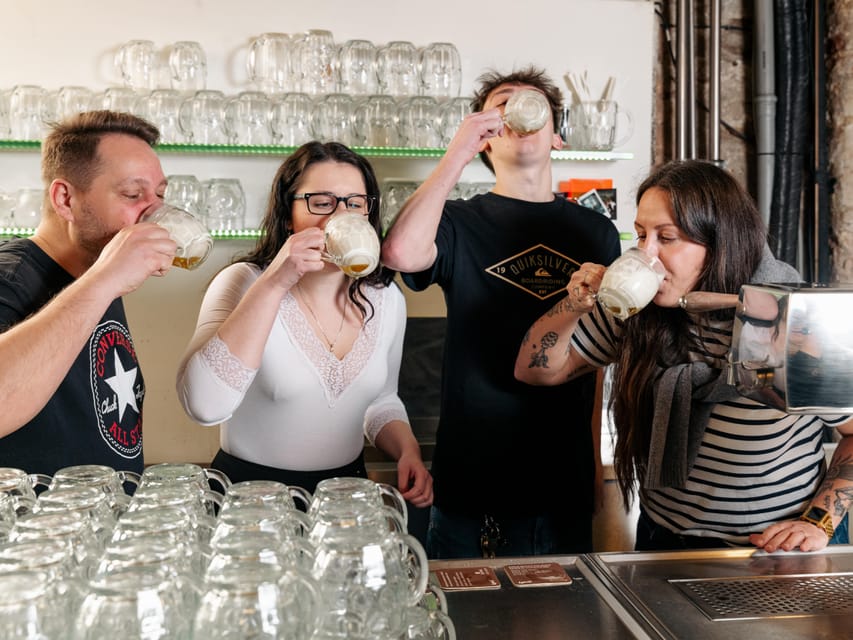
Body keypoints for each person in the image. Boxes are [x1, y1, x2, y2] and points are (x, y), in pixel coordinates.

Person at [515, 159, 853, 552]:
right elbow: (535, 371)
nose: (647, 254)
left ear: (720, 242)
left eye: (667, 237)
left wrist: (820, 521)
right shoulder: (637, 309)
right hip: (664, 536)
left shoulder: (787, 320)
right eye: (641, 235)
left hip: (775, 546)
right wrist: (574, 305)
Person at [381, 66, 621, 558]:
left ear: (556, 134)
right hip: (471, 476)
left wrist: (594, 460)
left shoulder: (595, 232)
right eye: (502, 104)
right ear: (488, 135)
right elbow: (402, 254)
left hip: (560, 480)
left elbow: (596, 354)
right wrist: (457, 152)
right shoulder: (458, 222)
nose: (517, 110)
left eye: (532, 102)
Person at [175, 141, 433, 505]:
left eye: (354, 203)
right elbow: (203, 405)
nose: (337, 218)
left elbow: (380, 400)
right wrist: (276, 281)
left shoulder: (386, 299)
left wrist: (407, 450)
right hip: (251, 502)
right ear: (287, 215)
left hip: (347, 499)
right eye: (322, 202)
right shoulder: (243, 282)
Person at [0, 110, 178, 476]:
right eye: (132, 194)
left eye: (159, 195)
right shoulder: (10, 276)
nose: (154, 212)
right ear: (65, 199)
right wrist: (105, 278)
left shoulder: (97, 265)